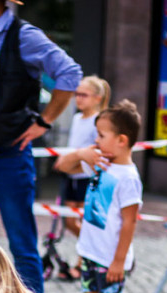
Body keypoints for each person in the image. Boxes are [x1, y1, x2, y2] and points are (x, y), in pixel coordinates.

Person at [0, 0, 83, 293]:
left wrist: (44, 122)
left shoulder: (25, 36)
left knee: (21, 244)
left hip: (8, 156)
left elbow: (70, 73)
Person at [55, 100, 142, 293]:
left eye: (101, 136)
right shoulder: (100, 163)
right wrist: (83, 153)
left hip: (110, 260)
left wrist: (118, 261)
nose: (96, 140)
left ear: (121, 140)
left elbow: (129, 222)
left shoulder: (128, 177)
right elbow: (62, 165)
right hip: (89, 254)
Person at [55, 75, 110, 272]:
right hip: (72, 177)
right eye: (77, 94)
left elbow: (96, 154)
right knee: (69, 221)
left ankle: (83, 263)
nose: (78, 99)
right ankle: (93, 252)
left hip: (87, 178)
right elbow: (74, 148)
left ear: (97, 98)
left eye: (84, 95)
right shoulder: (77, 118)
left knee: (88, 223)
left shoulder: (98, 121)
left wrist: (72, 165)